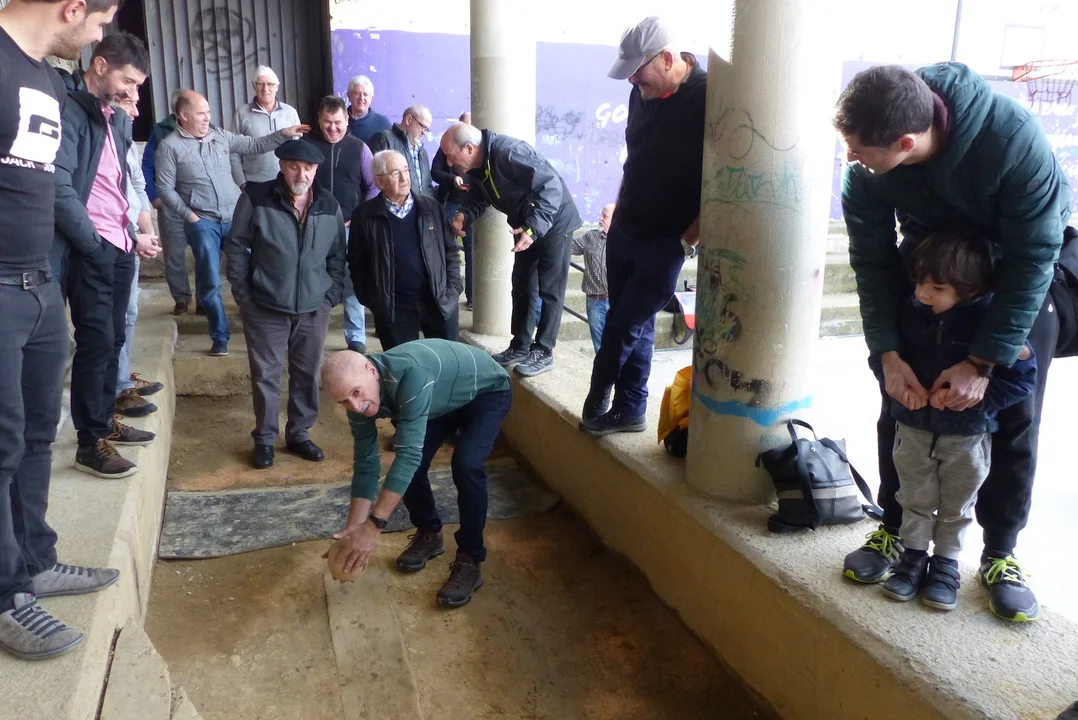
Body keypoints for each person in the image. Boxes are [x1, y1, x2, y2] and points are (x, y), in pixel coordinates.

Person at [834, 63, 1073, 623]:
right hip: (930, 265)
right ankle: (896, 528)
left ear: (905, 143)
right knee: (900, 402)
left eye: (859, 149)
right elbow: (871, 260)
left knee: (1014, 415)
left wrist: (983, 360)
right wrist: (887, 355)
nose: (850, 157)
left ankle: (999, 552)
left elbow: (1035, 255)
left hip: (1016, 272)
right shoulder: (867, 169)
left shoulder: (1013, 140)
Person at [0, 0, 124, 662]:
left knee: (37, 436)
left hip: (39, 284)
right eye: (100, 23)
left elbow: (50, 185)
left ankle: (35, 560)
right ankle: (6, 595)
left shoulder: (46, 78)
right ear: (73, 8)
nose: (100, 36)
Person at [867, 232, 1036, 612]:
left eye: (937, 287)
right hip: (912, 432)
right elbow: (883, 359)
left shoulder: (994, 327)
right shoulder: (908, 315)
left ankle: (946, 565)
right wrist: (899, 393)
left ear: (972, 289)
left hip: (967, 440)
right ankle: (912, 557)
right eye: (919, 283)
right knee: (913, 497)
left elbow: (1022, 378)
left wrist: (978, 402)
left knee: (957, 506)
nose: (923, 294)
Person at [579, 17, 705, 436]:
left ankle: (598, 393)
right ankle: (630, 409)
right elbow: (634, 161)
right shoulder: (642, 93)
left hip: (666, 241)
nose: (633, 81)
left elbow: (722, 184)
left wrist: (685, 242)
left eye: (638, 72)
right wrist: (618, 210)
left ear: (668, 58)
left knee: (622, 325)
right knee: (634, 324)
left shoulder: (709, 99)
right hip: (626, 229)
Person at [321, 339, 513, 608]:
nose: (355, 405)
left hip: (486, 391)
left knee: (466, 464)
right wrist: (354, 529)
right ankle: (430, 532)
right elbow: (366, 462)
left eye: (356, 392)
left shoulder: (411, 374)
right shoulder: (356, 398)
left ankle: (470, 557)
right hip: (439, 400)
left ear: (372, 370)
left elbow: (408, 456)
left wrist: (373, 527)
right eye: (344, 401)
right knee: (413, 466)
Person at [53, 32, 160, 480]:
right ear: (99, 66)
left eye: (137, 86)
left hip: (119, 243)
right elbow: (58, 189)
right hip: (91, 247)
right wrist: (93, 243)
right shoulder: (69, 111)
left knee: (114, 339)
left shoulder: (113, 117)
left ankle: (105, 421)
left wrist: (134, 230)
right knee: (95, 343)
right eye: (128, 82)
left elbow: (117, 185)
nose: (132, 94)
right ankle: (89, 444)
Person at [155, 90, 309, 357]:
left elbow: (254, 145)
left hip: (234, 217)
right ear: (183, 115)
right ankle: (220, 337)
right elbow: (165, 188)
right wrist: (190, 216)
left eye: (208, 112)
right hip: (202, 221)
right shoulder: (169, 147)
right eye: (201, 113)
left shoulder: (220, 136)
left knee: (256, 269)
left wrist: (283, 134)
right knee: (211, 280)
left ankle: (264, 329)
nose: (207, 118)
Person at [224, 141, 346, 470]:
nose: (301, 174)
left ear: (316, 170)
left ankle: (299, 434)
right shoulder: (256, 197)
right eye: (294, 166)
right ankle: (265, 439)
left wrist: (329, 298)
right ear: (281, 166)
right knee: (265, 375)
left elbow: (338, 256)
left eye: (308, 168)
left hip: (313, 309)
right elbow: (236, 246)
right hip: (265, 305)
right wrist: (244, 296)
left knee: (306, 373)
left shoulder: (329, 205)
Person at [441, 122, 582, 377]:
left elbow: (550, 186)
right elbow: (479, 196)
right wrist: (464, 215)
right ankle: (520, 345)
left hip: (554, 222)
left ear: (469, 148)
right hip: (525, 225)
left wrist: (533, 228)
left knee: (550, 289)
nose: (449, 163)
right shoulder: (479, 166)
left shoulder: (509, 153)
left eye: (451, 155)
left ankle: (544, 350)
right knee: (522, 285)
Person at [349, 150, 461, 350]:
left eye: (406, 170)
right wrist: (372, 299)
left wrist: (453, 288)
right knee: (403, 365)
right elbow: (357, 261)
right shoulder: (365, 215)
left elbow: (451, 250)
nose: (403, 178)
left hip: (438, 301)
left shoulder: (431, 207)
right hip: (394, 308)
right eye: (395, 173)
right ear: (379, 181)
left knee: (448, 362)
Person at [304, 95, 378, 354]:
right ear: (319, 120)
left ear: (347, 120)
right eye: (327, 122)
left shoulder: (360, 149)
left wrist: (359, 216)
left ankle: (355, 336)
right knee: (312, 279)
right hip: (313, 228)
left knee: (351, 280)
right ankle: (311, 334)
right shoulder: (307, 146)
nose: (332, 127)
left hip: (349, 228)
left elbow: (373, 186)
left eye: (337, 122)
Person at [113, 90, 164, 420]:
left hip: (130, 238)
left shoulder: (127, 142)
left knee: (129, 313)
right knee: (113, 318)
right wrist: (134, 238)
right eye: (127, 102)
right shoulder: (98, 143)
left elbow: (138, 186)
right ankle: (117, 389)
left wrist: (147, 229)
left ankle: (123, 378)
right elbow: (102, 205)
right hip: (111, 244)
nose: (135, 112)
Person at [143, 87, 202, 316]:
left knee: (204, 252)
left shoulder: (205, 128)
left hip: (199, 202)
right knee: (174, 255)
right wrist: (153, 196)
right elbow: (148, 164)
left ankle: (204, 299)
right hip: (170, 203)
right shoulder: (161, 131)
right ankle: (181, 298)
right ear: (178, 110)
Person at [230, 65, 302, 187]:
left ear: (277, 87)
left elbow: (298, 149)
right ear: (254, 86)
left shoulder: (290, 112)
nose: (265, 89)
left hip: (286, 182)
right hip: (254, 183)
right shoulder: (242, 114)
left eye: (270, 84)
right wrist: (241, 182)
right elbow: (233, 150)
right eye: (260, 84)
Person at [432, 111, 474, 311]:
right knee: (445, 248)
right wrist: (452, 179)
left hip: (471, 207)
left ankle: (472, 296)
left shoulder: (477, 148)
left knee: (472, 251)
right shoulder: (447, 146)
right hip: (449, 203)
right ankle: (445, 293)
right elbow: (435, 172)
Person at [573, 203, 614, 353]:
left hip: (617, 302)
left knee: (619, 345)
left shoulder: (625, 241)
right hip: (595, 301)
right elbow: (567, 245)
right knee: (600, 347)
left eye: (605, 216)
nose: (600, 218)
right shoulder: (591, 237)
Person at [368, 105, 434, 196]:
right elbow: (375, 180)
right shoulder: (384, 139)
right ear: (408, 119)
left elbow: (428, 185)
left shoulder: (422, 151)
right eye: (422, 126)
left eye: (427, 129)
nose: (424, 132)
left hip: (420, 204)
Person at [345, 75, 391, 145]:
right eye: (357, 93)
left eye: (365, 94)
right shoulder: (337, 121)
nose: (361, 98)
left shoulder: (384, 124)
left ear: (371, 98)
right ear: (349, 96)